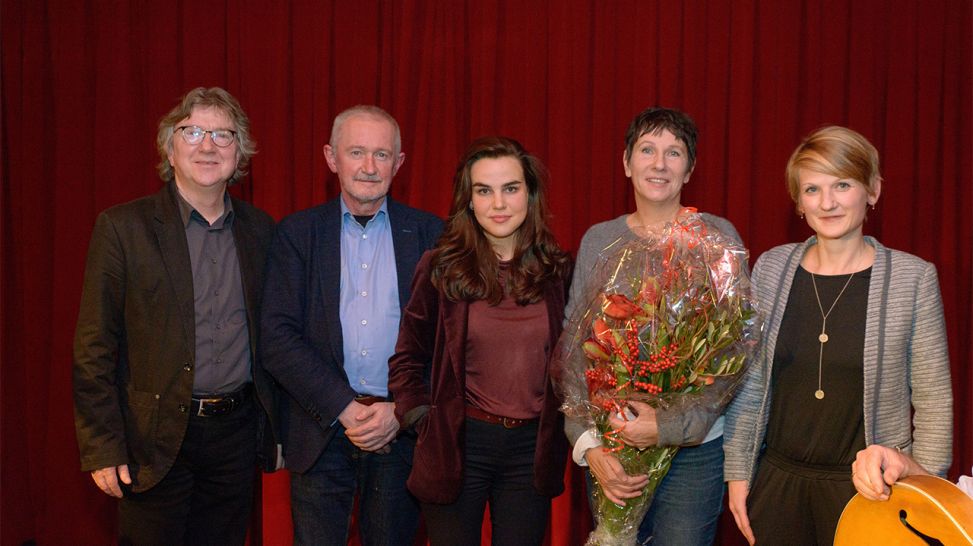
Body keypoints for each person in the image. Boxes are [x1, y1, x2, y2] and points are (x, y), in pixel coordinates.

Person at [723, 125, 953, 545]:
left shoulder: (912, 278)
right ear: (798, 202)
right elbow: (750, 383)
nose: (827, 203)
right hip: (776, 486)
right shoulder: (771, 269)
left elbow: (934, 399)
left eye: (842, 184)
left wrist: (924, 486)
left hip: (873, 493)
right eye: (812, 189)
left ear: (873, 191)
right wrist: (738, 472)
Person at [72, 86, 280, 545]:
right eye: (193, 132)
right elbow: (94, 347)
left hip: (236, 438)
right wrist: (103, 446)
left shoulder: (262, 231)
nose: (208, 146)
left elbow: (275, 339)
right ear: (170, 146)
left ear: (239, 152)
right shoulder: (123, 228)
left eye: (223, 135)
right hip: (153, 440)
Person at [261, 105, 443, 545]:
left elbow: (447, 342)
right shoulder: (297, 234)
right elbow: (277, 338)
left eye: (382, 155)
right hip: (320, 429)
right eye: (356, 152)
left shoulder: (432, 236)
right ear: (330, 157)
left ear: (398, 163)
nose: (368, 166)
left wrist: (397, 411)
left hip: (400, 433)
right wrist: (345, 407)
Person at [564, 107, 742, 545]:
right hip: (614, 448)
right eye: (647, 150)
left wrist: (667, 427)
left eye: (673, 153)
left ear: (689, 169)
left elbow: (733, 351)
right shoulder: (599, 240)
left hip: (693, 454)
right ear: (627, 163)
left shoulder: (716, 238)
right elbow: (573, 348)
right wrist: (591, 445)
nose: (659, 163)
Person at [388, 136, 572, 546]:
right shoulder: (440, 268)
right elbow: (406, 358)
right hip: (459, 446)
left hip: (530, 452)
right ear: (468, 201)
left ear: (530, 194)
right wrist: (422, 420)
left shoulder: (556, 271)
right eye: (484, 191)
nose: (499, 204)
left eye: (511, 188)